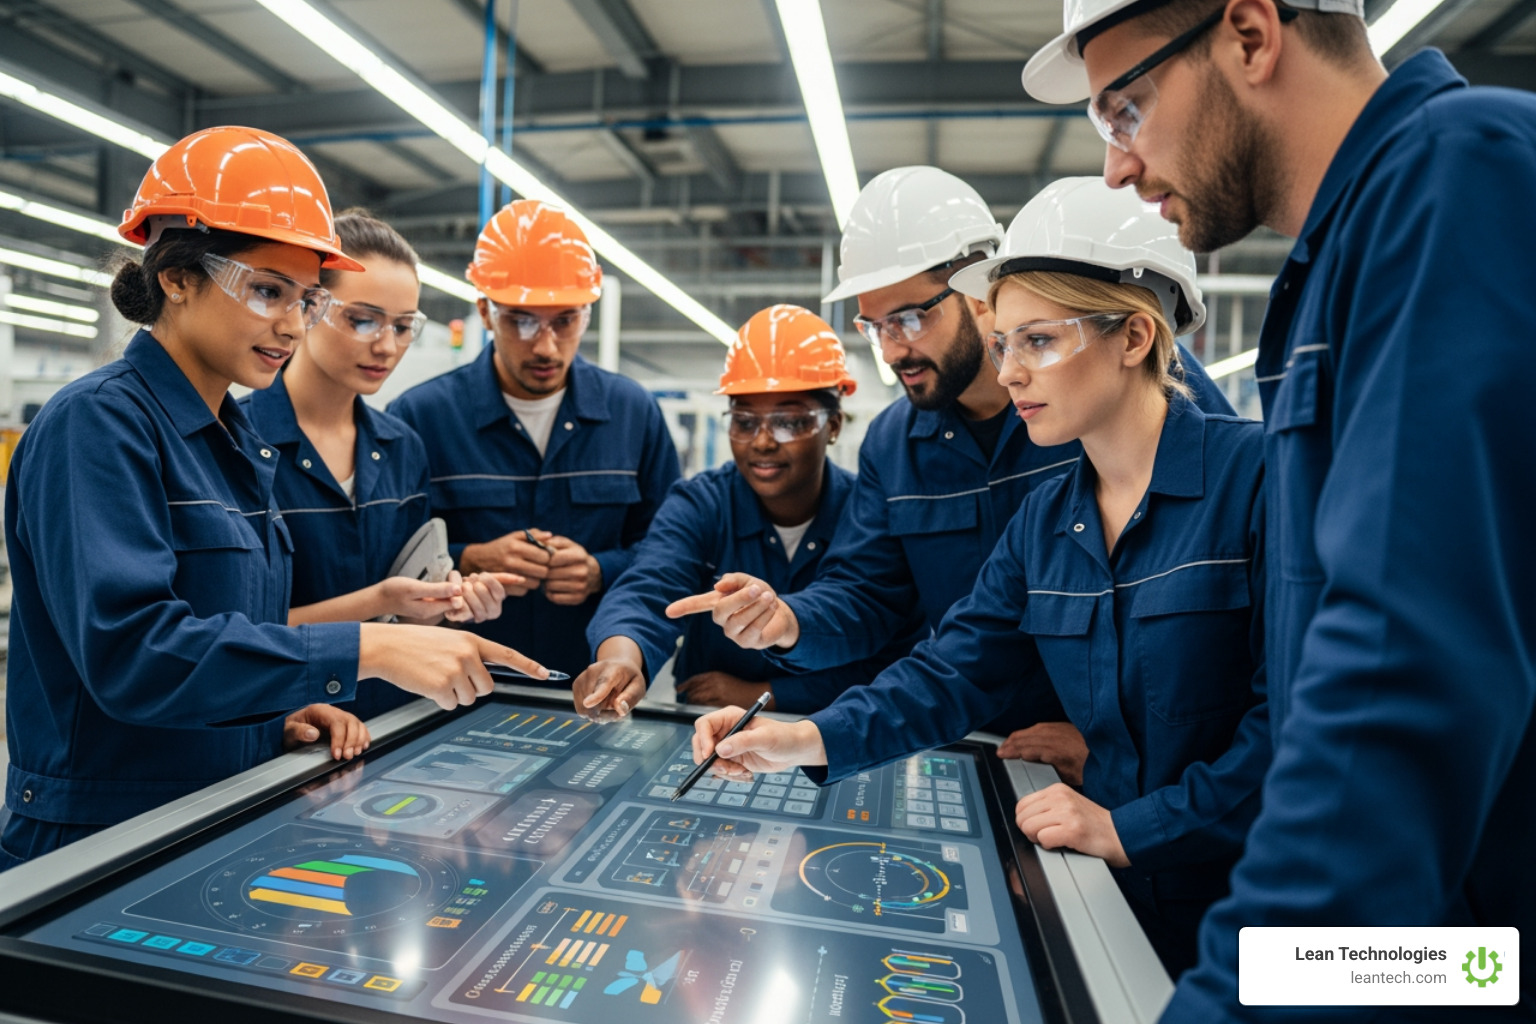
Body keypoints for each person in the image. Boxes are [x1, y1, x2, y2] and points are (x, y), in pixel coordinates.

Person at [1024, 0, 1536, 1018]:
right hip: (1432, 957)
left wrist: (1224, 1000)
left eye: (1125, 108)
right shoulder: (1330, 272)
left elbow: (1399, 679)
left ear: (1250, 35)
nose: (1116, 166)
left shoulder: (1457, 175)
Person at [688, 178, 1269, 975]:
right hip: (1100, 866)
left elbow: (1299, 728)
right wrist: (800, 736)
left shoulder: (1259, 480)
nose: (1013, 372)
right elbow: (952, 668)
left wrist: (1127, 813)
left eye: (1038, 342)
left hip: (1254, 896)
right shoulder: (1043, 517)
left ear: (1135, 337)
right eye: (1006, 345)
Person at [0, 127, 546, 869]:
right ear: (177, 277)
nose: (292, 324)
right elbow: (135, 655)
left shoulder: (233, 441)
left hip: (211, 812)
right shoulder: (97, 425)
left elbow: (231, 635)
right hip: (99, 839)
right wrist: (372, 646)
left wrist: (268, 717)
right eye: (267, 291)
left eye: (307, 299)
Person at [639, 166, 1235, 772]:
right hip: (986, 740)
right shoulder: (901, 448)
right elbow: (925, 635)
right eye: (875, 328)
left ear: (977, 297)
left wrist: (1116, 743)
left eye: (909, 318)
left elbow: (1228, 626)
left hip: (1145, 760)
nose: (892, 350)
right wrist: (790, 626)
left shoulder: (1143, 397)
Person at [241, 209, 524, 725]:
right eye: (363, 320)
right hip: (278, 730)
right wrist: (377, 602)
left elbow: (406, 614)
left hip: (392, 722)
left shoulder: (401, 447)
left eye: (403, 326)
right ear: (310, 306)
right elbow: (231, 635)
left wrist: (448, 601)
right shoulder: (236, 443)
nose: (387, 346)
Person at [574, 305, 924, 720]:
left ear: (833, 425)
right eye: (743, 421)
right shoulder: (702, 504)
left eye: (788, 423)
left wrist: (766, 694)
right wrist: (621, 658)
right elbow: (647, 587)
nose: (762, 442)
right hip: (709, 733)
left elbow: (891, 646)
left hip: (834, 731)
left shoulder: (868, 515)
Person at [390, 200, 681, 678]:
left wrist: (601, 570)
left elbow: (670, 550)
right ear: (485, 312)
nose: (546, 346)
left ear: (587, 314)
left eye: (565, 321)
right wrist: (467, 559)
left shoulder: (633, 413)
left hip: (591, 682)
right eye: (522, 321)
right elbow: (388, 558)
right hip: (456, 687)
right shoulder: (421, 417)